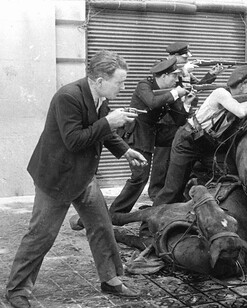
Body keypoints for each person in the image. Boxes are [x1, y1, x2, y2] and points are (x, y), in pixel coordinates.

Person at [5, 50, 147, 308]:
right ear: (101, 80)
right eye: (120, 82)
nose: (124, 87)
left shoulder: (99, 97)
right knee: (41, 235)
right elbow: (74, 140)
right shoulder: (68, 97)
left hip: (84, 176)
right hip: (57, 178)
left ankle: (111, 279)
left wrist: (126, 151)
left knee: (102, 227)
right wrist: (108, 121)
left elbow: (101, 132)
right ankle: (16, 290)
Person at [152, 65, 247, 206]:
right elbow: (241, 112)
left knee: (228, 174)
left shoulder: (239, 99)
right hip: (188, 140)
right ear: (242, 85)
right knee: (172, 190)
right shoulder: (221, 93)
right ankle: (148, 226)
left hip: (207, 143)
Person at [107, 57, 193, 226]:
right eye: (174, 76)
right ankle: (116, 212)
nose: (177, 80)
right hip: (137, 133)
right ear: (164, 76)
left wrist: (187, 105)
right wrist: (176, 93)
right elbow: (152, 102)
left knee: (181, 136)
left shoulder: (170, 90)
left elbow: (178, 119)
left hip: (153, 133)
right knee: (140, 176)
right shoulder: (144, 86)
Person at [147, 42, 224, 199]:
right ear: (173, 56)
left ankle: (172, 194)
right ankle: (156, 194)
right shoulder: (162, 67)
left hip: (182, 116)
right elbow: (161, 92)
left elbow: (195, 87)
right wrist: (183, 72)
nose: (188, 57)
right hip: (167, 119)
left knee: (176, 160)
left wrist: (211, 74)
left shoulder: (184, 70)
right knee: (162, 160)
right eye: (183, 56)